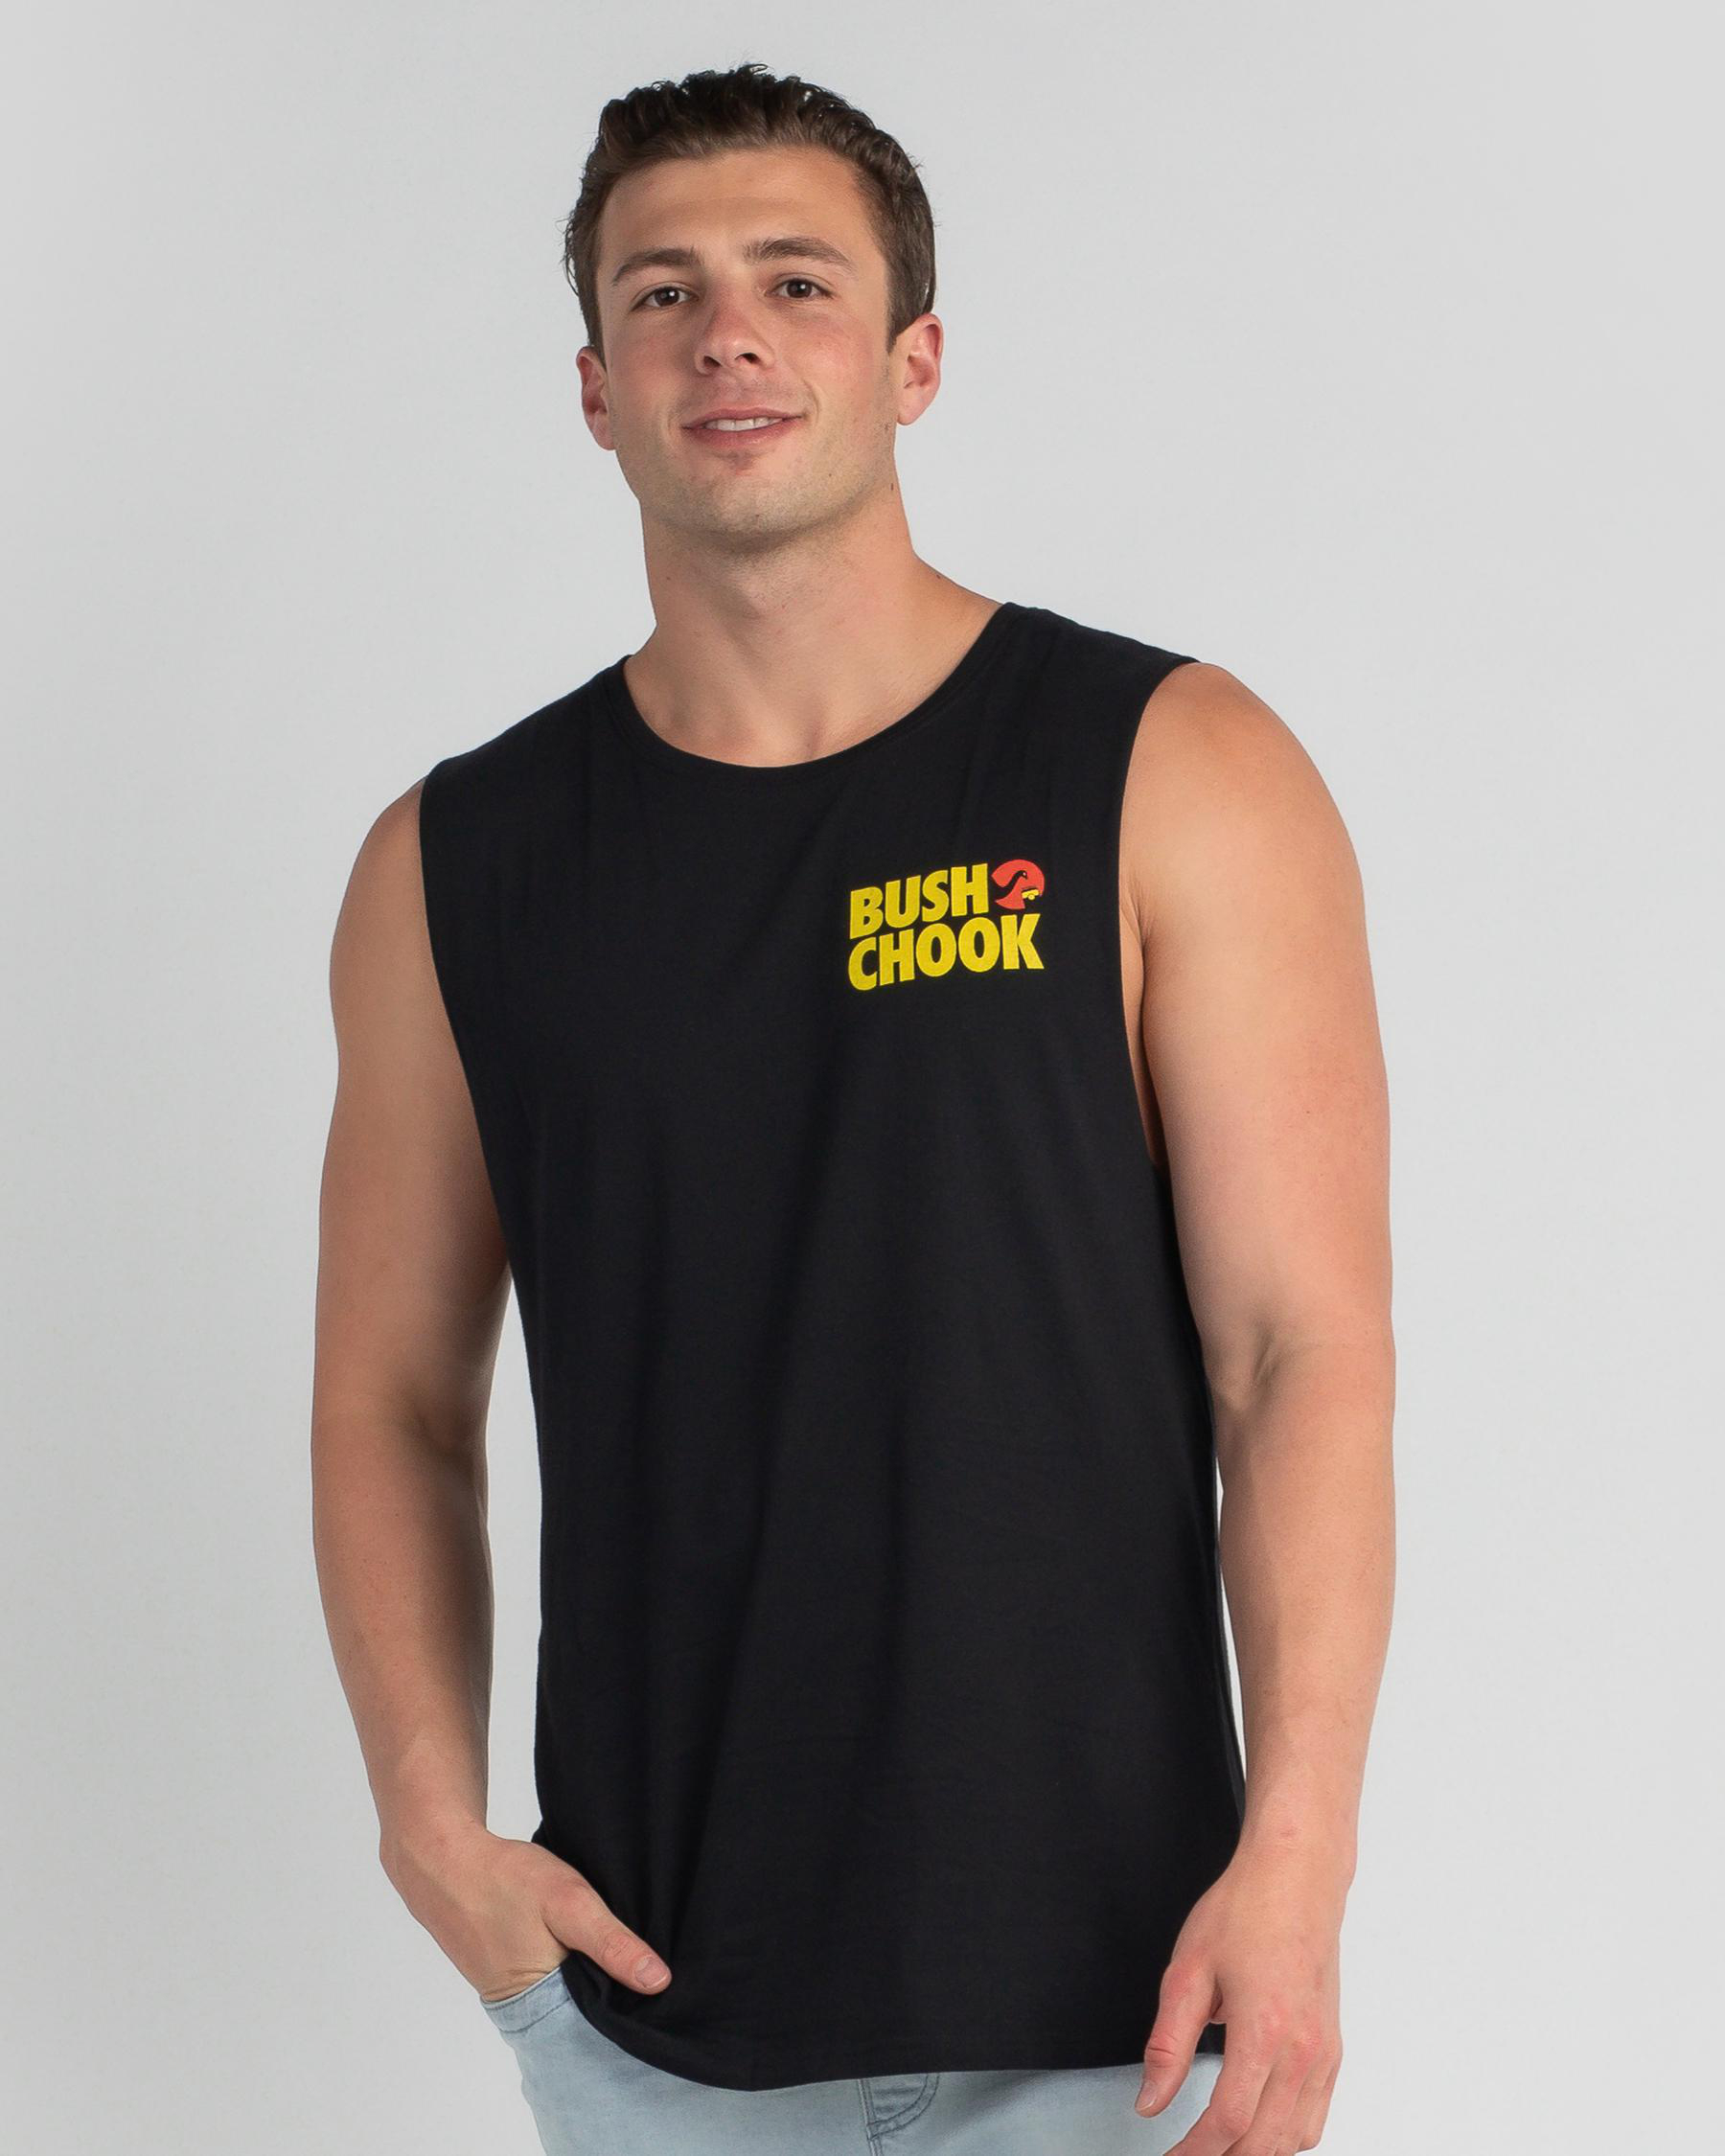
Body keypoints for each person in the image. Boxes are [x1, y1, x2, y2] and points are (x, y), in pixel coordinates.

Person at [311, 60, 1394, 2156]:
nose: (728, 334)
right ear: (597, 387)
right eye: (663, 293)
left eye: (797, 281)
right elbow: (390, 1398)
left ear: (914, 360)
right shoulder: (456, 862)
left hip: (1131, 2009)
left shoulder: (1169, 766)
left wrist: (1302, 1859)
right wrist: (432, 1833)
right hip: (650, 2023)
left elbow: (1297, 1355)